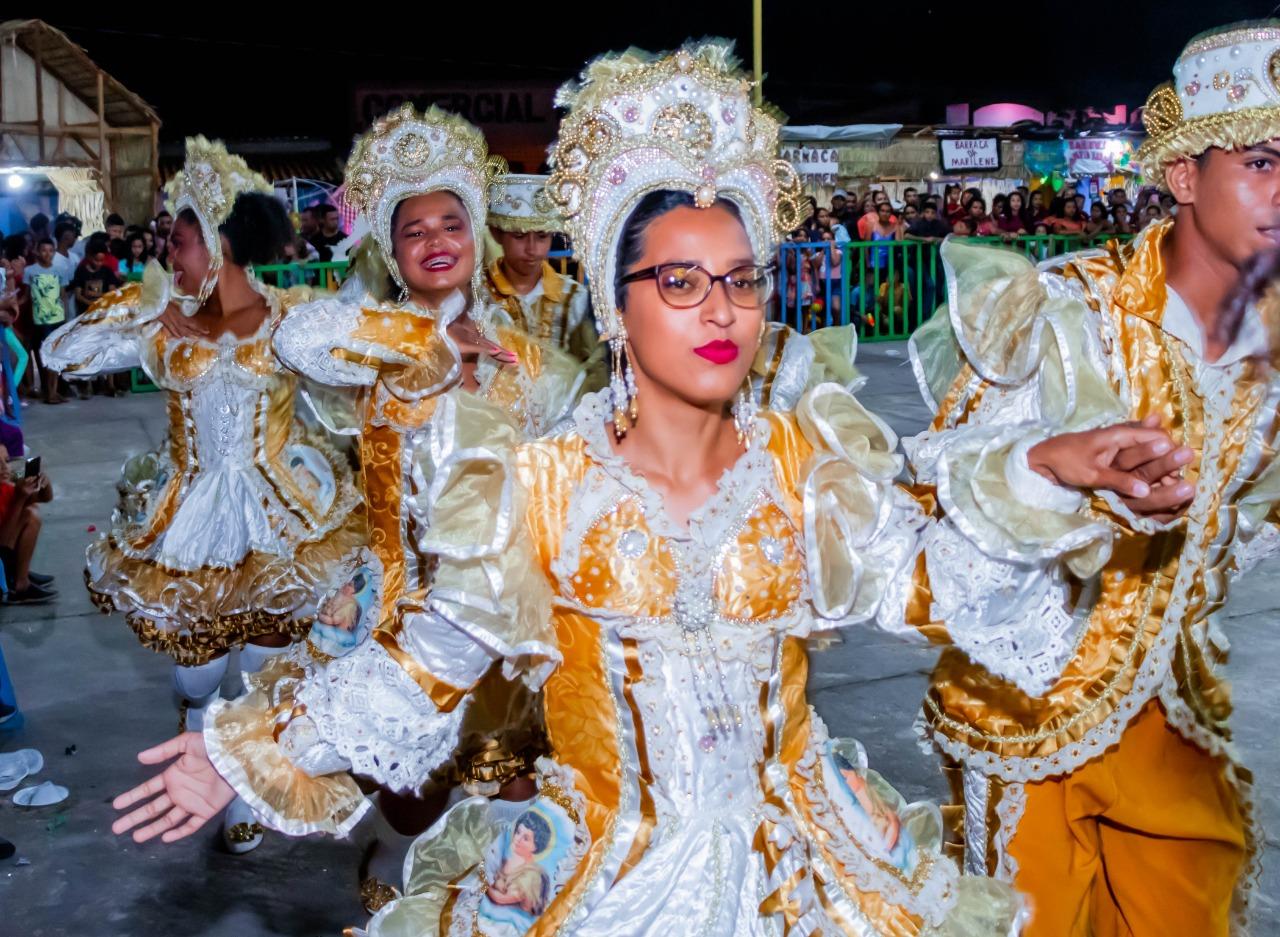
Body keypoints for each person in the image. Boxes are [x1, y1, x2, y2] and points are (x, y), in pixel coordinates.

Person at [113, 42, 1051, 936]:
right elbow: (431, 655)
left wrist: (1047, 481)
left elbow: (933, 583)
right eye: (680, 280)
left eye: (742, 278)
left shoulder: (805, 460)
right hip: (614, 880)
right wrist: (253, 750)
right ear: (614, 302)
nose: (721, 307)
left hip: (805, 872)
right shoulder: (546, 480)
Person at [905, 20, 1280, 934]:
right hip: (1023, 717)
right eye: (1263, 160)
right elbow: (930, 502)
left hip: (1174, 718)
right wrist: (1062, 483)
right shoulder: (1060, 309)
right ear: (1184, 176)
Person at [268, 105, 585, 912]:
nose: (438, 239)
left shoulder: (526, 359)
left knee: (513, 803)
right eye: (415, 229)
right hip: (397, 622)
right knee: (411, 804)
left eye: (453, 221)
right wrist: (433, 346)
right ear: (390, 247)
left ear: (478, 232)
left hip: (494, 619)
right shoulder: (372, 341)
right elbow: (295, 339)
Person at [42, 137, 365, 854]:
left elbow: (359, 378)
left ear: (219, 243)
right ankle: (194, 729)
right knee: (197, 677)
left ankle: (236, 784)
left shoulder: (290, 321)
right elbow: (57, 354)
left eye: (180, 240)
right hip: (188, 526)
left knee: (256, 666)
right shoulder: (168, 331)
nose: (169, 252)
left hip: (281, 520)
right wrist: (139, 309)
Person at [483, 173, 596, 365]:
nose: (532, 249)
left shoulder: (575, 298)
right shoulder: (478, 295)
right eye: (519, 236)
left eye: (542, 237)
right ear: (496, 234)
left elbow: (592, 365)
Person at [0, 458, 55, 604]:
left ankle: (19, 573)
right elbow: (3, 544)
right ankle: (20, 583)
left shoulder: (4, 488)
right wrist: (20, 498)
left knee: (30, 513)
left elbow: (45, 498)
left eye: (6, 461)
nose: (5, 467)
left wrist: (45, 483)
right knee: (29, 514)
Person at [26, 238, 70, 405]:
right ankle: (49, 392)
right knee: (46, 356)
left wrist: (65, 318)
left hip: (57, 318)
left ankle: (53, 391)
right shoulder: (30, 271)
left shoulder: (60, 270)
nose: (47, 254)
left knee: (56, 356)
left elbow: (63, 295)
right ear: (37, 251)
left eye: (51, 250)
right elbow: (28, 296)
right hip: (40, 320)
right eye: (44, 250)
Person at [69, 239, 123, 316]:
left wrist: (96, 295)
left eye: (102, 260)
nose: (99, 263)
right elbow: (78, 295)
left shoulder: (107, 271)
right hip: (85, 313)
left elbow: (112, 293)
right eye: (96, 260)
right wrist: (92, 304)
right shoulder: (81, 271)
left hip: (103, 312)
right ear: (89, 256)